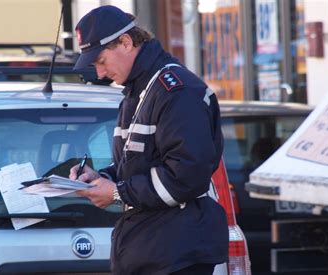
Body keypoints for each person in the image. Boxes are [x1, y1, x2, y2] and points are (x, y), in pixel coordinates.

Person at [69, 5, 228, 275]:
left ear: (126, 42)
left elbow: (186, 175)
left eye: (101, 61)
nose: (99, 73)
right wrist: (100, 178)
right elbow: (137, 166)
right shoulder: (138, 91)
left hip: (176, 251)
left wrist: (117, 192)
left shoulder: (176, 90)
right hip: (154, 248)